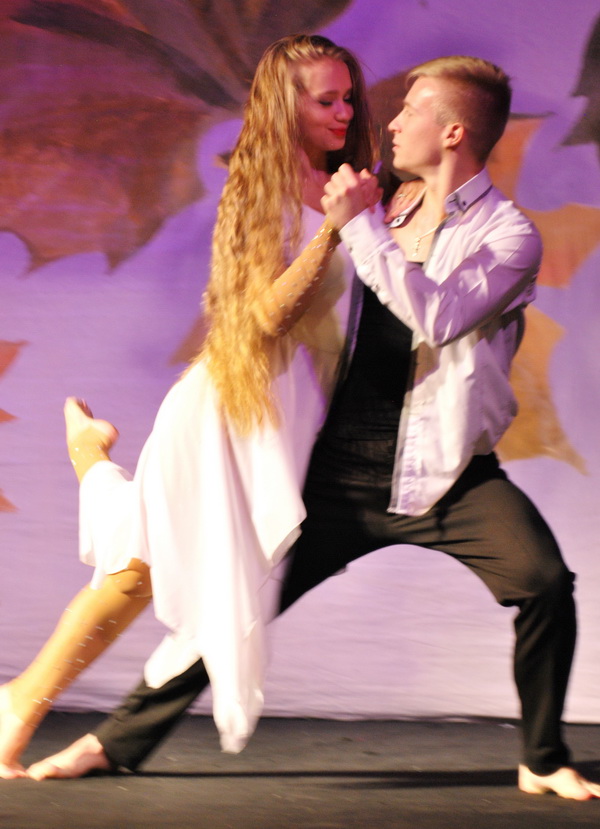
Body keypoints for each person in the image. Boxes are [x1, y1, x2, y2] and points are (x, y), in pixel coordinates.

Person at [24, 54, 599, 802]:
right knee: (237, 600)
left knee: (545, 583)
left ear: (454, 131)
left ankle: (543, 757)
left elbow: (435, 315)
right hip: (340, 474)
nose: (391, 122)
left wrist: (356, 225)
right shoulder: (383, 204)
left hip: (448, 474)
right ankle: (111, 743)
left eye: (411, 110)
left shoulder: (507, 236)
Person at [0, 33, 378, 779]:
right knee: (135, 571)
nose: (343, 112)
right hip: (225, 415)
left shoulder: (344, 186)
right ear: (286, 106)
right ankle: (18, 705)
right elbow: (263, 319)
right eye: (325, 100)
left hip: (288, 419)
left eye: (347, 97)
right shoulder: (264, 189)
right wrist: (335, 228)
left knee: (141, 555)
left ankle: (90, 454)